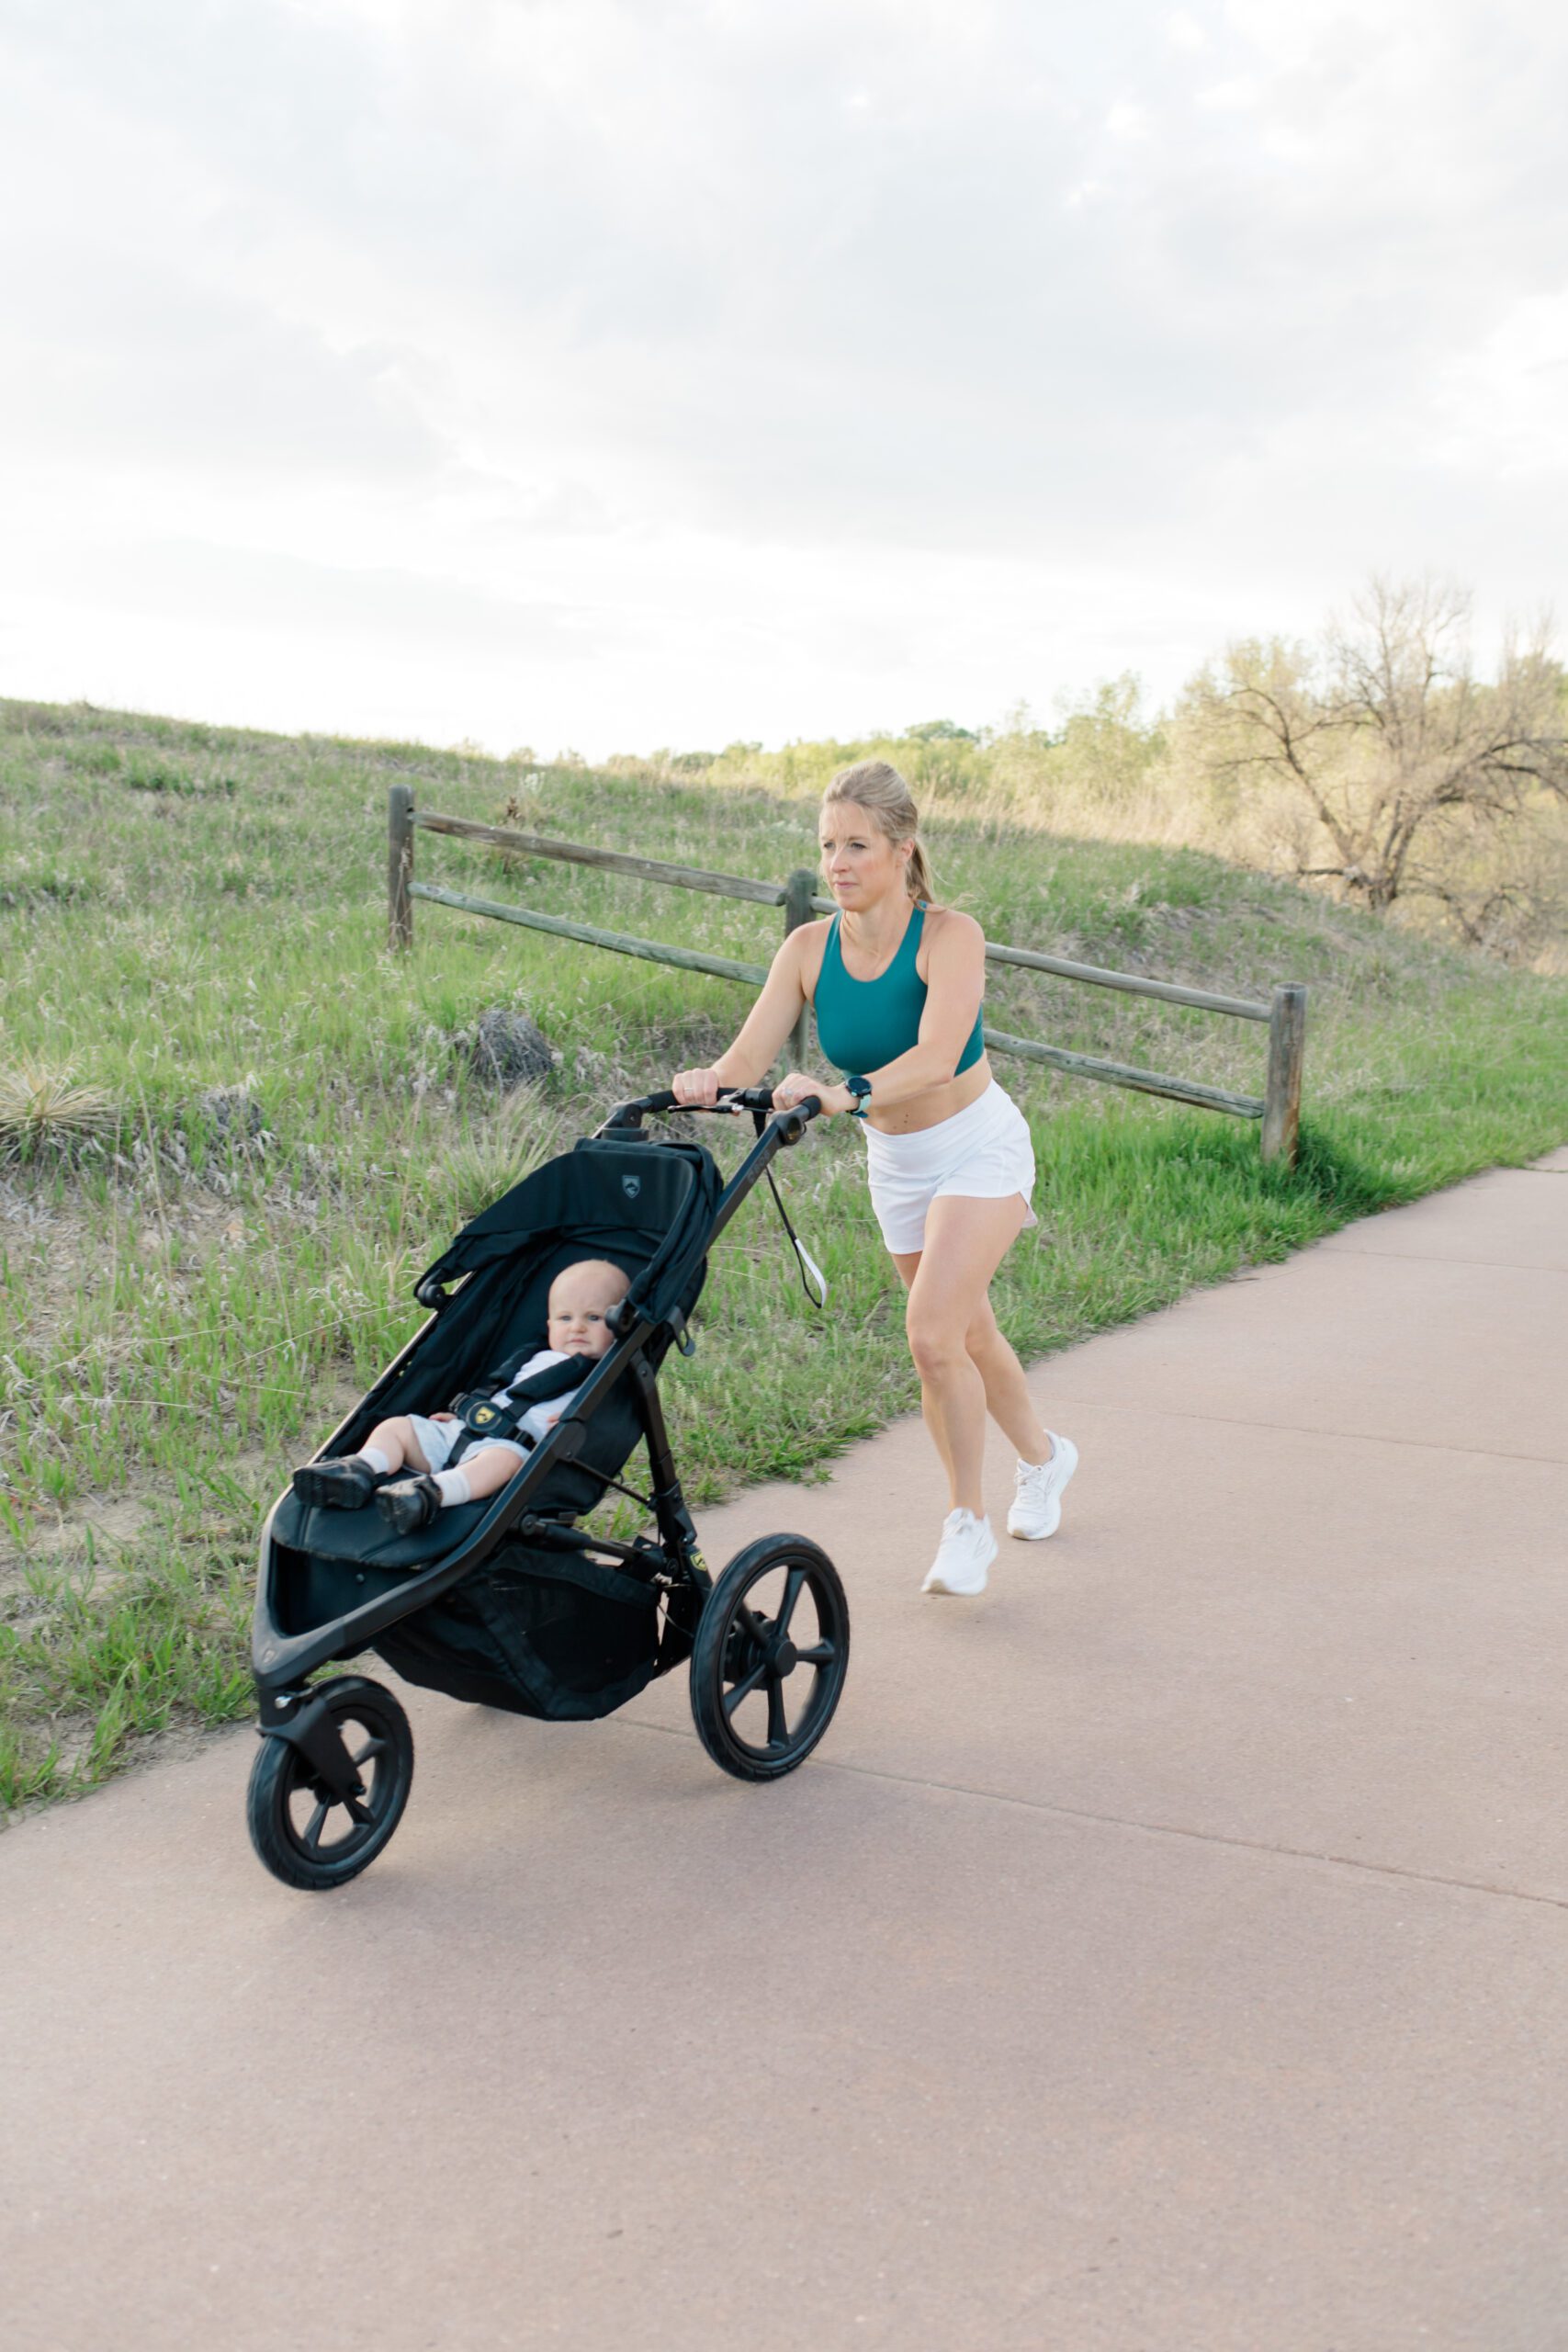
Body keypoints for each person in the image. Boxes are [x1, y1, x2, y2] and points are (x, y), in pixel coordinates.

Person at [671, 759, 1076, 1597]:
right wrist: (705, 1080)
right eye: (828, 846)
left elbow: (933, 1057)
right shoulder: (807, 948)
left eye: (857, 844)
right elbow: (748, 1055)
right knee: (964, 1336)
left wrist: (839, 1094)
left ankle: (966, 1526)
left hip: (977, 1146)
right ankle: (1045, 1458)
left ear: (901, 848)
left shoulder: (949, 935)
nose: (838, 863)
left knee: (930, 1336)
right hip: (896, 1163)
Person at [290, 1258, 630, 1534]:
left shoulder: (602, 1376)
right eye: (565, 1318)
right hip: (462, 1431)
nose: (577, 1328)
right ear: (549, 1324)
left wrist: (580, 1420)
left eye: (594, 1318)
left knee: (503, 1464)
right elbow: (497, 1390)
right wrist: (461, 1416)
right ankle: (361, 1468)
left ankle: (430, 1493)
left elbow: (605, 1423)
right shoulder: (531, 1355)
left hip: (511, 1446)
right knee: (398, 1427)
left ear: (618, 1324)